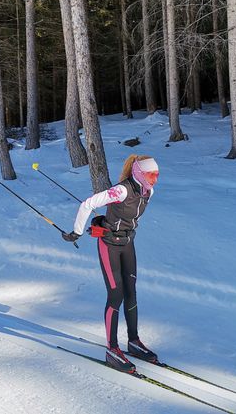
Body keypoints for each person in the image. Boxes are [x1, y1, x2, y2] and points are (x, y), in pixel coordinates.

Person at [62, 154, 159, 373]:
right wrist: (77, 232)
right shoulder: (122, 190)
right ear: (138, 173)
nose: (154, 179)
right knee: (116, 294)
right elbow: (88, 204)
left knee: (131, 292)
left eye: (156, 175)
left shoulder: (148, 192)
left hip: (127, 243)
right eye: (150, 174)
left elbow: (130, 218)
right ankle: (112, 349)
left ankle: (133, 341)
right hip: (109, 245)